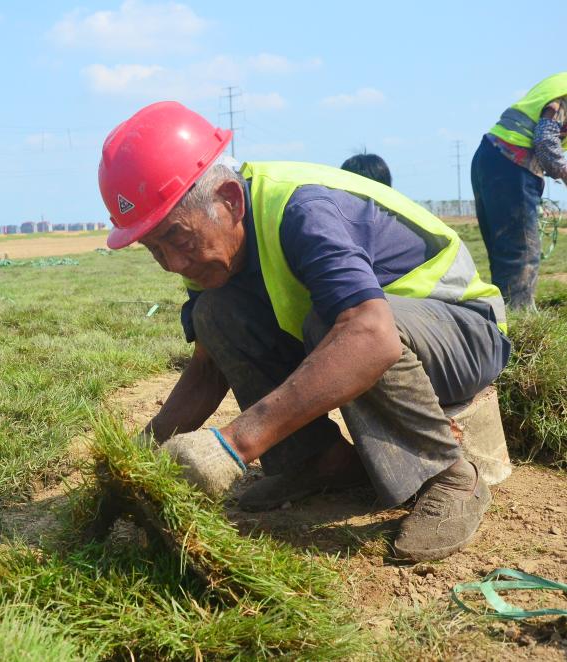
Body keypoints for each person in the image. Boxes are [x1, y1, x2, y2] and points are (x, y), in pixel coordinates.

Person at [98, 101, 510, 562]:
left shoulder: (303, 210)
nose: (174, 263)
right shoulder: (210, 244)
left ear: (229, 199)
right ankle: (318, 462)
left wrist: (234, 443)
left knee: (337, 325)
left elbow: (371, 336)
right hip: (383, 327)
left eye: (178, 239)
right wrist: (135, 460)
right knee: (213, 314)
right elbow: (207, 368)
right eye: (155, 249)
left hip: (463, 328)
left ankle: (450, 475)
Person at [471, 72, 567, 310]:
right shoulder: (563, 94)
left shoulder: (558, 82)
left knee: (503, 250)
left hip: (490, 157)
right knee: (521, 251)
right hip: (512, 166)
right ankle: (519, 324)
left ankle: (501, 319)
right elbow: (545, 141)